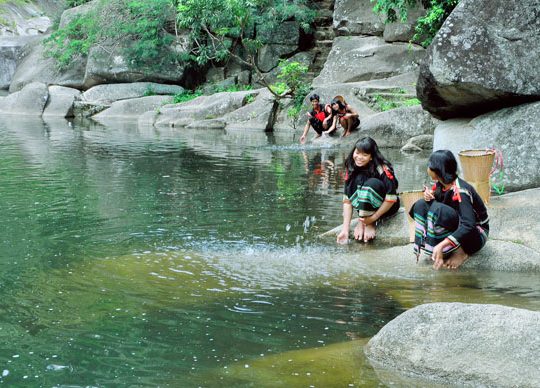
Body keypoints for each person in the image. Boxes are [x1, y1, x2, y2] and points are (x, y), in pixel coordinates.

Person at [409, 150, 489, 270]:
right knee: (421, 204)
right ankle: (439, 248)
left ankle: (461, 251)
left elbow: (469, 225)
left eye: (429, 165)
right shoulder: (442, 185)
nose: (428, 168)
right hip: (458, 226)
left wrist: (441, 245)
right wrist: (429, 196)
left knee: (437, 209)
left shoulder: (461, 191)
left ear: (437, 170)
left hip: (476, 234)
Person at [337, 137, 400, 244]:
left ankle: (367, 223)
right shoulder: (351, 167)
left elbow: (391, 198)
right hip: (365, 208)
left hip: (386, 207)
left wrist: (372, 219)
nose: (359, 157)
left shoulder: (382, 168)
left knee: (371, 184)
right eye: (357, 153)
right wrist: (345, 230)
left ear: (371, 157)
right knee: (355, 182)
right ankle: (362, 221)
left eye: (365, 155)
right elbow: (347, 201)